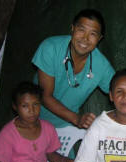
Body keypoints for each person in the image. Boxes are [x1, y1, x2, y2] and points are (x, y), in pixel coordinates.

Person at [32, 9, 115, 150]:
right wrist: (77, 119)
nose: (85, 38)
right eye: (81, 30)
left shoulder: (101, 66)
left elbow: (122, 94)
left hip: (65, 129)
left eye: (93, 34)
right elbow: (45, 96)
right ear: (72, 28)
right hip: (33, 122)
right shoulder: (51, 48)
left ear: (99, 39)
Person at [0, 81, 78, 162]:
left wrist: (67, 161)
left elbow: (50, 155)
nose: (31, 110)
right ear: (15, 107)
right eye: (25, 106)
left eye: (35, 104)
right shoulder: (7, 134)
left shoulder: (48, 128)